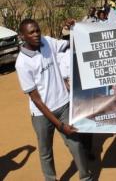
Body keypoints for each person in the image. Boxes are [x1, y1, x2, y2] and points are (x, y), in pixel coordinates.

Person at [15, 19, 92, 181]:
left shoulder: (47, 42)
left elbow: (70, 44)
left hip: (64, 105)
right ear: (23, 36)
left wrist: (74, 28)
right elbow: (36, 99)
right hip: (41, 114)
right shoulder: (22, 63)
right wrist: (60, 125)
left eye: (37, 30)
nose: (36, 34)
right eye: (31, 32)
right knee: (45, 152)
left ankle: (86, 178)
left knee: (76, 144)